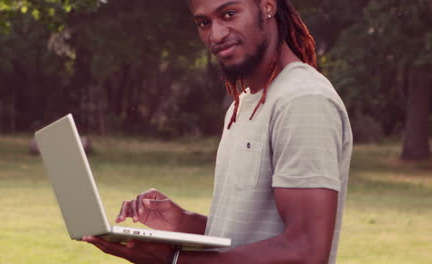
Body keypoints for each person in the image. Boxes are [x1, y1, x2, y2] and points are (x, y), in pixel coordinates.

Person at [83, 0, 353, 263]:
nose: (216, 34)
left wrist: (175, 260)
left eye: (229, 14)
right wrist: (182, 221)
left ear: (268, 6)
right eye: (204, 22)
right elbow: (247, 236)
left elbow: (306, 251)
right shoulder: (245, 103)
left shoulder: (303, 100)